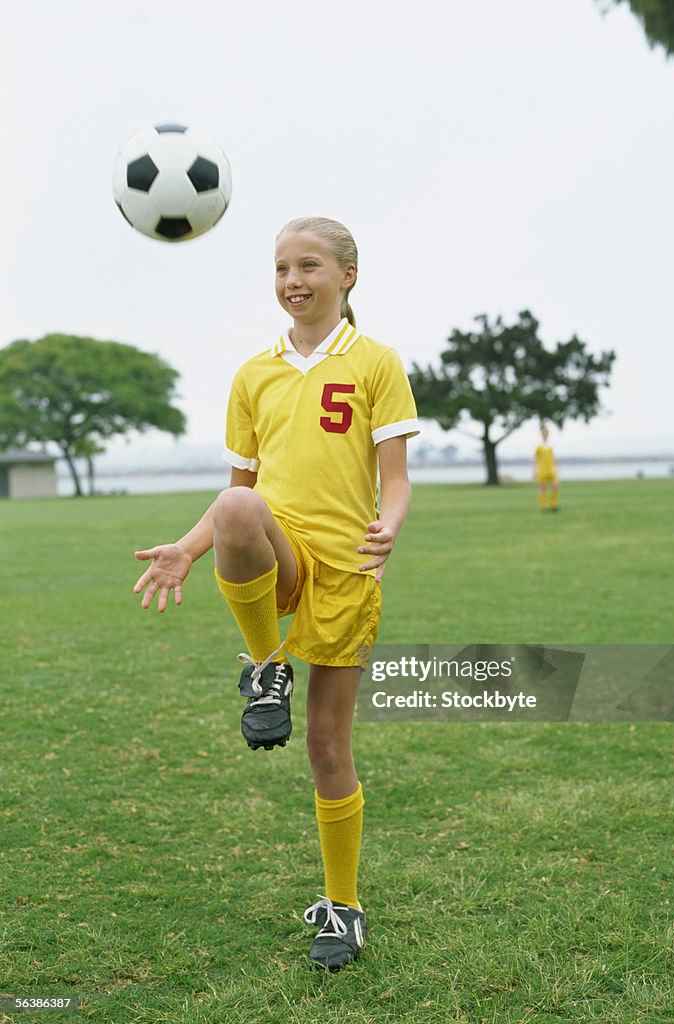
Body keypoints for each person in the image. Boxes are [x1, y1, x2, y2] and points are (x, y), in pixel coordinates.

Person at [132, 216, 419, 971]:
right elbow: (239, 495)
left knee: (327, 747)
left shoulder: (377, 363)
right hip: (282, 546)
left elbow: (395, 480)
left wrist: (388, 528)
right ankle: (266, 667)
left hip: (347, 564)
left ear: (346, 276)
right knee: (234, 510)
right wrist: (186, 551)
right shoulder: (252, 374)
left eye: (310, 266)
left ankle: (343, 907)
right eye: (282, 267)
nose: (293, 281)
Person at [533, 423, 559, 512]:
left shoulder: (550, 445)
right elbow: (535, 459)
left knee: (555, 486)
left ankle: (553, 505)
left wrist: (556, 468)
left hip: (550, 469)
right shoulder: (538, 446)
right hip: (542, 470)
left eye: (546, 432)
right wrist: (535, 470)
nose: (545, 434)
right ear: (541, 433)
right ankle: (543, 507)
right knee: (543, 488)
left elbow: (553, 458)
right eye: (543, 432)